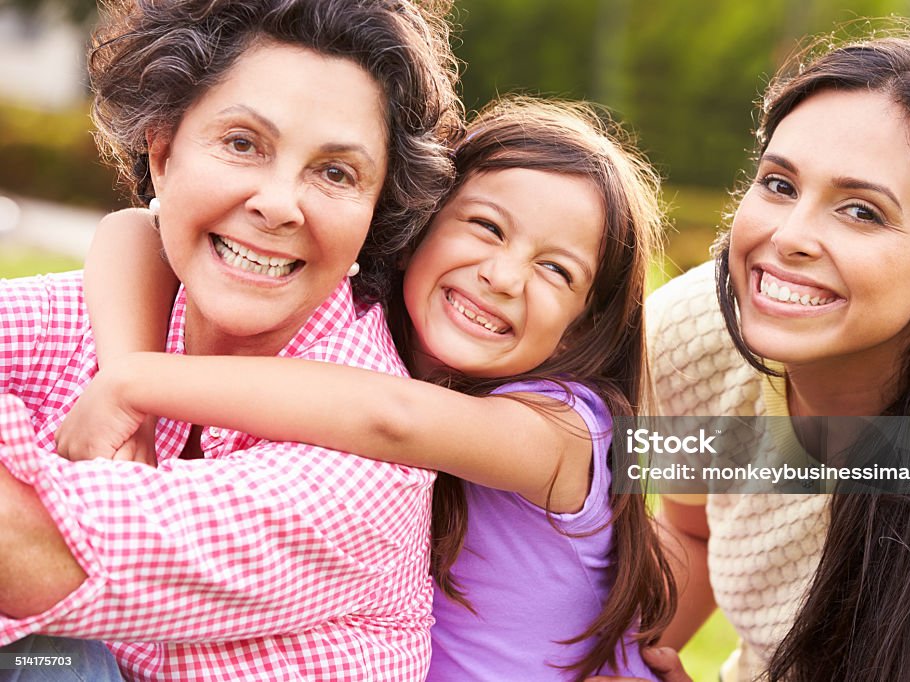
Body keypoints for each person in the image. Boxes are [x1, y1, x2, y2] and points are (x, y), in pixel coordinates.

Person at [55, 97, 678, 681]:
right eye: (487, 227)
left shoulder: (565, 431)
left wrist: (139, 384)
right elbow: (138, 230)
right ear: (418, 227)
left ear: (579, 329)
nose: (505, 276)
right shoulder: (361, 329)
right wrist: (125, 378)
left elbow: (395, 419)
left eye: (556, 270)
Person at [0, 0, 462, 679]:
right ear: (162, 152)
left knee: (48, 658)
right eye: (243, 143)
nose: (278, 204)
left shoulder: (370, 465)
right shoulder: (100, 310)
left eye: (336, 173)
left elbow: (31, 553)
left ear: (375, 214)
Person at [644, 33, 910, 681]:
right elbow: (693, 529)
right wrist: (624, 662)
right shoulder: (694, 335)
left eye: (860, 211)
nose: (787, 237)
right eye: (779, 183)